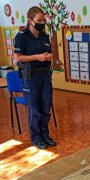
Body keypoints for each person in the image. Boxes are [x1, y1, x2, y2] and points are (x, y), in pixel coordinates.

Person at [14, 6, 56, 149]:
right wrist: (37, 57)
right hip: (30, 77)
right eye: (39, 20)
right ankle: (36, 137)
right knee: (35, 109)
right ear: (30, 20)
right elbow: (18, 58)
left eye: (44, 20)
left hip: (45, 75)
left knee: (45, 107)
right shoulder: (22, 36)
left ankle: (45, 135)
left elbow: (49, 53)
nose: (42, 22)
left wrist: (49, 56)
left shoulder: (44, 36)